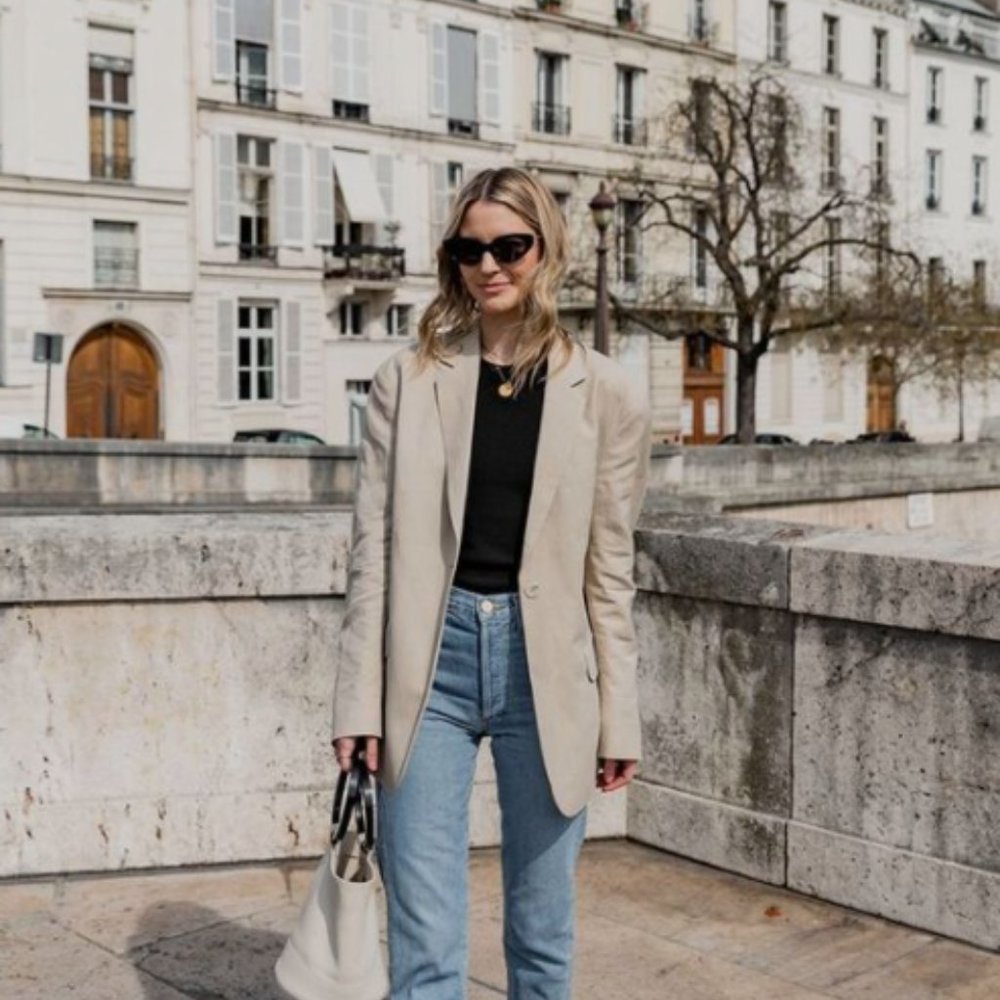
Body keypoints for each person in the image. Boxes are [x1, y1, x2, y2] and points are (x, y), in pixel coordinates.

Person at [331, 166, 651, 999]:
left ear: (547, 250)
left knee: (543, 940)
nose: (490, 265)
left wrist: (621, 716)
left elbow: (608, 570)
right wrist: (355, 705)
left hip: (545, 671)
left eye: (510, 245)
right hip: (426, 668)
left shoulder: (607, 393)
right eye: (471, 249)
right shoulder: (408, 380)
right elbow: (374, 551)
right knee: (424, 943)